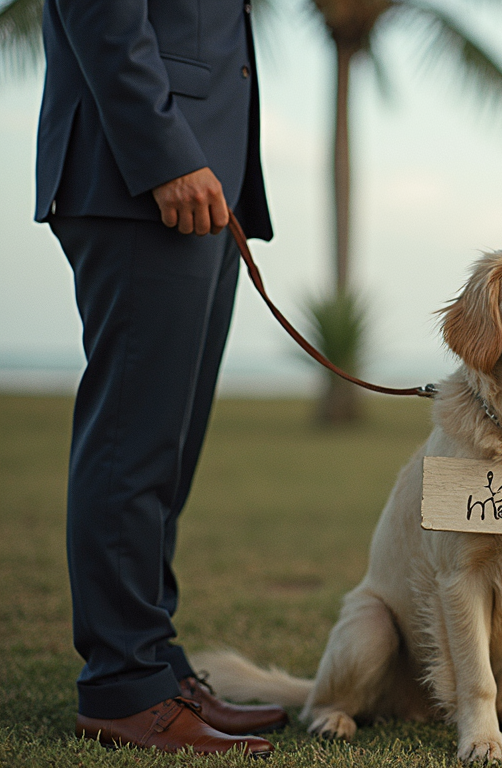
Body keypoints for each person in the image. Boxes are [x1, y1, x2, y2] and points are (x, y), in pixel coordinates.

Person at [35, 0, 286, 756]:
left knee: (166, 453)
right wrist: (165, 153)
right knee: (133, 445)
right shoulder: (159, 161)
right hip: (144, 168)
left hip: (204, 173)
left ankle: (153, 665)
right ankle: (123, 688)